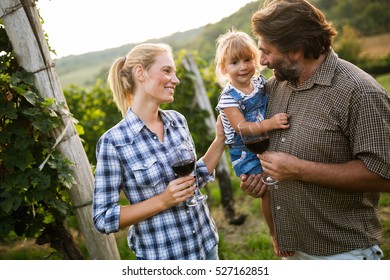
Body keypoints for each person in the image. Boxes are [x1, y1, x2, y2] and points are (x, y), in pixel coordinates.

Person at [240, 0, 390, 260]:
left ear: (296, 49)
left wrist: (298, 169)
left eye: (266, 51)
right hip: (292, 251)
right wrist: (259, 179)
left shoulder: (359, 91)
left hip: (343, 256)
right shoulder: (275, 87)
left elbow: (384, 174)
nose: (262, 61)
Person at [92, 43, 226, 260]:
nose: (176, 79)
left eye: (174, 72)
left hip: (206, 246)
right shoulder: (113, 142)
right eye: (166, 71)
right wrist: (162, 201)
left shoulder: (177, 121)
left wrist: (221, 140)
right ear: (140, 73)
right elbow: (103, 218)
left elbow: (194, 180)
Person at [214, 28, 290, 257]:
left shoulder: (258, 82)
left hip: (264, 140)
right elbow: (243, 128)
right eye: (235, 62)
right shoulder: (228, 98)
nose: (243, 66)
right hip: (244, 150)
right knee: (267, 188)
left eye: (248, 59)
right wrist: (271, 123)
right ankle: (275, 233)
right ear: (223, 68)